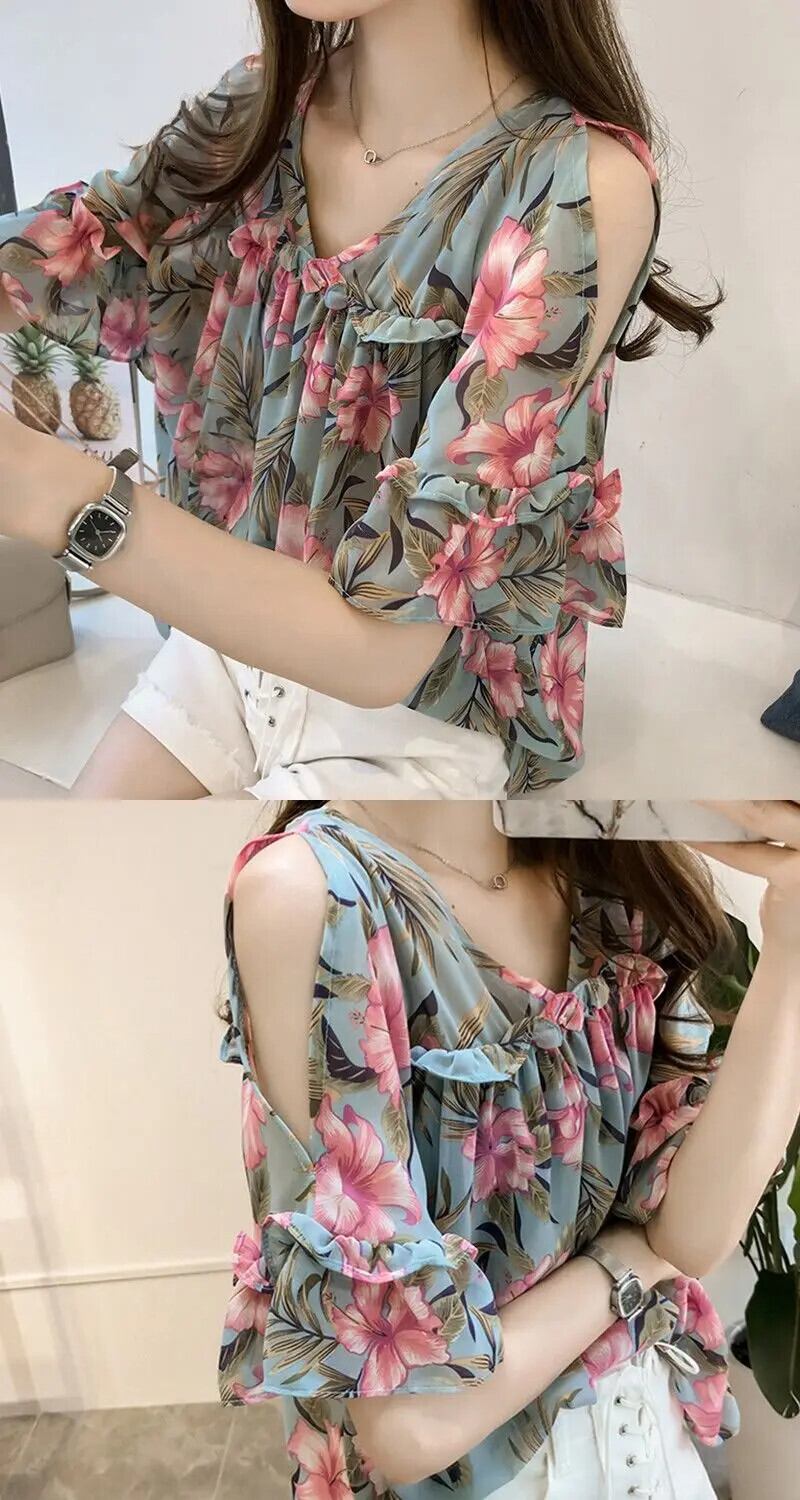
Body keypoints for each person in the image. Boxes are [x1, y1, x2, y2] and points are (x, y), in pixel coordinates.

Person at [0, 1, 718, 799]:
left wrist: (46, 488)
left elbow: (384, 647)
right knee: (51, 868)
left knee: (236, 879)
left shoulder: (574, 188)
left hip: (427, 721)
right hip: (231, 655)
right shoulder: (264, 108)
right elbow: (82, 243)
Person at [219, 798, 800, 1498]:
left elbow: (692, 1236)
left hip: (653, 1448)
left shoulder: (610, 857)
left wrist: (793, 929)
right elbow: (409, 1427)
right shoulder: (317, 894)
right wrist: (626, 1262)